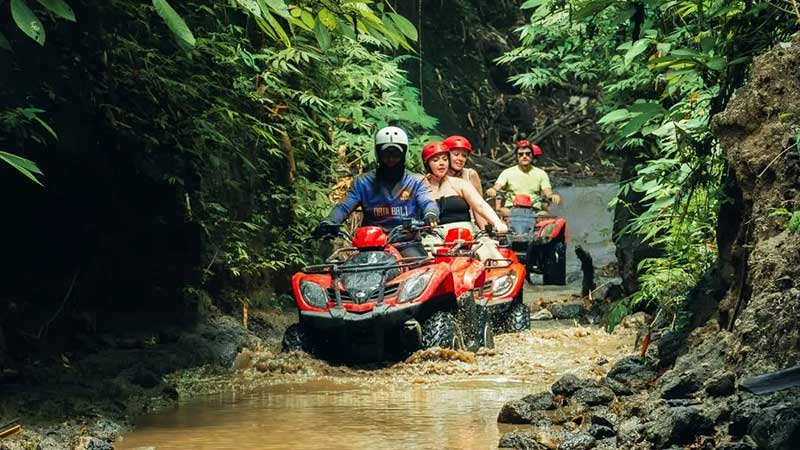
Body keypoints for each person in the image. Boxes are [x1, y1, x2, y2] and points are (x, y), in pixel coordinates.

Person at [316, 126, 439, 254]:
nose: (391, 159)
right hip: (370, 245)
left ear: (404, 154)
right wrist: (330, 221)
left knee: (422, 270)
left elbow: (428, 202)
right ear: (377, 154)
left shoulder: (416, 181)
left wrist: (430, 214)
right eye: (385, 154)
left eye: (396, 154)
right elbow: (343, 207)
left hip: (406, 243)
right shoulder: (363, 182)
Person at [421, 141, 508, 260]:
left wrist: (496, 222)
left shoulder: (460, 184)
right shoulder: (420, 186)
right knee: (425, 261)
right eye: (435, 160)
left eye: (444, 159)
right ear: (427, 164)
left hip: (467, 232)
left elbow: (480, 205)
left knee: (495, 259)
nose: (441, 163)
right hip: (435, 235)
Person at [486, 140, 561, 214]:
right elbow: (497, 186)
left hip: (534, 210)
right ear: (517, 157)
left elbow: (547, 191)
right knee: (503, 211)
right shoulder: (507, 172)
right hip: (511, 208)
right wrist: (493, 190)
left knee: (544, 215)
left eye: (528, 154)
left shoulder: (541, 173)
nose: (524, 156)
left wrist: (552, 196)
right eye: (521, 154)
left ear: (532, 156)